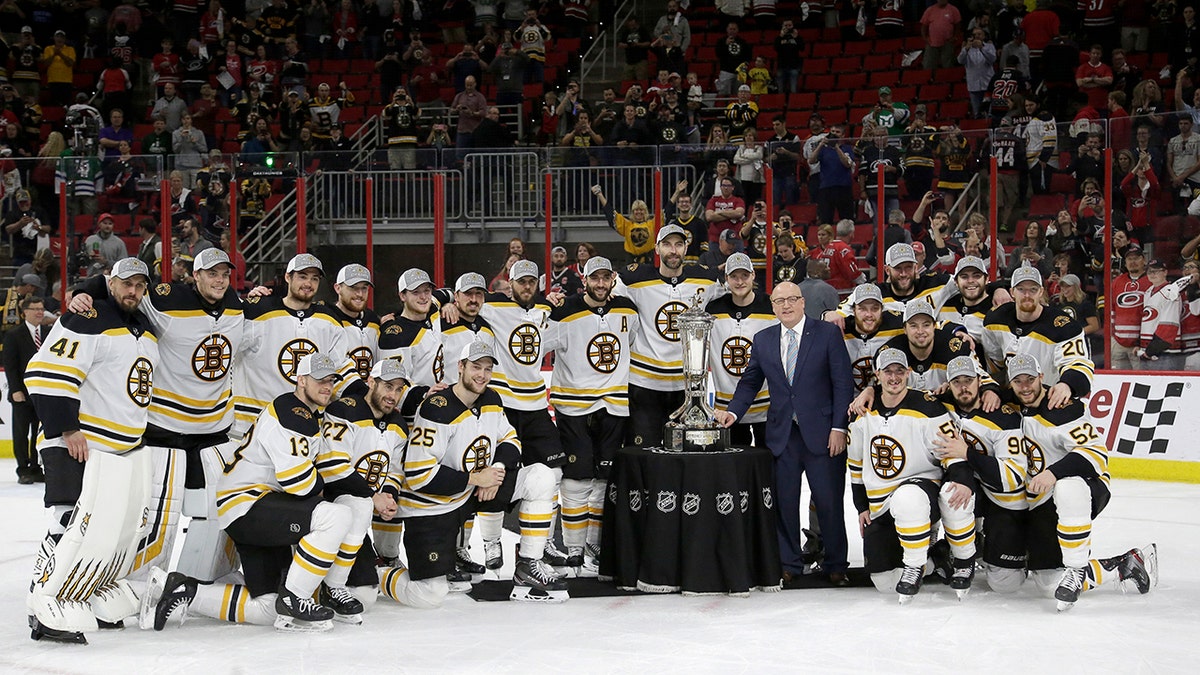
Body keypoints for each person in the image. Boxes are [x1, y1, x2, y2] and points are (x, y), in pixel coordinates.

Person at [145, 353, 374, 632]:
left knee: (270, 608)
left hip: (255, 508)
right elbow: (299, 483)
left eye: (331, 381)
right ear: (301, 380)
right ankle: (299, 597)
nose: (327, 386)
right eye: (319, 380)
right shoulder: (293, 413)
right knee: (336, 516)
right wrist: (324, 488)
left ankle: (184, 590)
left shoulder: (302, 412)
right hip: (250, 505)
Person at [67, 247, 246, 583]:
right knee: (160, 515)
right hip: (166, 430)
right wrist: (82, 293)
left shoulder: (236, 305)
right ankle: (139, 582)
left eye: (224, 274)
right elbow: (120, 287)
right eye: (211, 273)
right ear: (195, 276)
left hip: (215, 431)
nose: (219, 280)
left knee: (217, 510)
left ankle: (201, 580)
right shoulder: (166, 298)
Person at [26, 258, 158, 643]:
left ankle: (83, 593)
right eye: (124, 283)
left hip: (116, 451)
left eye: (139, 285)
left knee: (107, 531)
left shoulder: (142, 327)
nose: (132, 291)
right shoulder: (87, 316)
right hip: (78, 441)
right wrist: (68, 428)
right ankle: (43, 604)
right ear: (110, 283)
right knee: (69, 523)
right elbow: (45, 374)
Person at [379, 341, 568, 606]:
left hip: (473, 490)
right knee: (429, 595)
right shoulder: (437, 407)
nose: (482, 374)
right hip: (432, 503)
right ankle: (373, 575)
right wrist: (475, 478)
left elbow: (511, 440)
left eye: (487, 369)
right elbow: (418, 475)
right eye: (476, 367)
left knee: (541, 477)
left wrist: (497, 471)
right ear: (460, 367)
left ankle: (528, 566)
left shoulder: (492, 398)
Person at [715, 281, 854, 586]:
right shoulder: (763, 339)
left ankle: (835, 563)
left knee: (829, 503)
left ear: (803, 302)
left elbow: (843, 383)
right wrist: (733, 412)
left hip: (823, 433)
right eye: (779, 301)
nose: (786, 306)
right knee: (784, 502)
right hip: (782, 435)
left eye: (792, 299)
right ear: (773, 307)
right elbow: (751, 382)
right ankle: (789, 562)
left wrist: (838, 428)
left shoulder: (827, 334)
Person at [1004, 354, 1157, 610]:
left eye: (1030, 379)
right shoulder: (1011, 406)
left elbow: (1095, 454)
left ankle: (1076, 568)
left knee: (1068, 486)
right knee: (1048, 585)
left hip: (1086, 485)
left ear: (1041, 377)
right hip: (1042, 498)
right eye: (1018, 381)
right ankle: (1123, 564)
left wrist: (1052, 472)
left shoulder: (1063, 408)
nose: (1025, 386)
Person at [847, 348, 976, 601]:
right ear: (877, 375)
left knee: (908, 497)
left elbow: (951, 451)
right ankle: (933, 557)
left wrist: (962, 480)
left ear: (908, 373)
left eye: (899, 371)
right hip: (881, 502)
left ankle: (917, 565)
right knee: (884, 581)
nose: (893, 377)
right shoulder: (863, 412)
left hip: (922, 490)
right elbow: (856, 465)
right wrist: (861, 505)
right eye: (887, 371)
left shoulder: (927, 407)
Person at [545, 257, 641, 570]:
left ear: (613, 278)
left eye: (605, 278)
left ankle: (593, 547)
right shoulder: (563, 311)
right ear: (584, 279)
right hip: (573, 406)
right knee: (576, 479)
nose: (600, 284)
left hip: (613, 404)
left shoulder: (627, 308)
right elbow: (535, 345)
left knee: (603, 479)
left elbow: (632, 342)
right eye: (594, 278)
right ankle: (573, 548)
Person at [232, 253, 360, 439]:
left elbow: (339, 368)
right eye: (302, 276)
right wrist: (243, 305)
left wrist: (366, 397)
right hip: (252, 424)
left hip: (305, 426)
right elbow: (224, 341)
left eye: (314, 278)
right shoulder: (258, 311)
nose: (308, 283)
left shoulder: (329, 321)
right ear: (287, 277)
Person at [619, 225, 724, 449]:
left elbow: (736, 292)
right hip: (644, 384)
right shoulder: (634, 279)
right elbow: (603, 290)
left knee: (686, 453)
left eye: (678, 244)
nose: (673, 250)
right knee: (642, 452)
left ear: (686, 248)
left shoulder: (705, 280)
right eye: (667, 244)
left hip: (687, 386)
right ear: (657, 248)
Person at [934, 355, 1026, 595]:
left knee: (1005, 583)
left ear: (979, 381)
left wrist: (967, 454)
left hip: (1002, 498)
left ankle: (1022, 549)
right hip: (971, 486)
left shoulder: (1004, 417)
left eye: (968, 380)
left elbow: (1011, 477)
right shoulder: (942, 406)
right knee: (951, 492)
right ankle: (960, 554)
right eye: (956, 382)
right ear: (948, 385)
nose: (963, 387)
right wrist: (869, 391)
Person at [707, 253, 775, 448]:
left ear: (753, 276)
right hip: (727, 409)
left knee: (768, 467)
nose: (739, 282)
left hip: (766, 407)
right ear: (726, 279)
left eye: (744, 276)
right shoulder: (713, 310)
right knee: (736, 470)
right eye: (734, 277)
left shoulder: (770, 307)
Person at [4, 295, 46, 484]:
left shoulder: (49, 333)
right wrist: (15, 389)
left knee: (39, 433)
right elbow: (10, 366)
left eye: (41, 308)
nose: (39, 312)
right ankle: (23, 469)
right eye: (35, 309)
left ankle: (36, 468)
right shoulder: (14, 335)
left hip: (41, 393)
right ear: (25, 313)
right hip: (21, 392)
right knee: (21, 433)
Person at [379, 269, 443, 387]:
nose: (423, 297)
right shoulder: (394, 335)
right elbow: (393, 383)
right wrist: (423, 395)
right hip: (416, 401)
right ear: (402, 296)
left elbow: (447, 293)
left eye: (427, 291)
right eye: (415, 292)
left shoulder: (432, 309)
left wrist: (450, 305)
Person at [592, 185, 655, 265]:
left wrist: (676, 192)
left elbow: (666, 211)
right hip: (631, 262)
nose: (639, 212)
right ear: (633, 212)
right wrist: (600, 194)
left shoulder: (652, 224)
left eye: (641, 210)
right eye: (636, 210)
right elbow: (611, 213)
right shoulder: (627, 225)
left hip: (649, 261)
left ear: (645, 212)